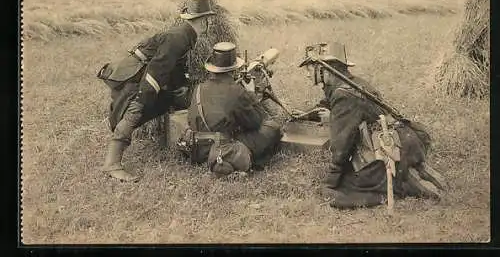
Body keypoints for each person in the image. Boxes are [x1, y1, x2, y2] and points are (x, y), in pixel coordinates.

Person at [296, 42, 448, 209]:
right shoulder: (351, 84)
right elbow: (326, 104)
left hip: (390, 150)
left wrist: (330, 181)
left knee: (338, 194)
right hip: (406, 141)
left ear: (324, 69)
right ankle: (412, 168)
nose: (307, 75)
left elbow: (341, 145)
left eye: (309, 69)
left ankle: (405, 185)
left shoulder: (344, 96)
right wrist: (306, 114)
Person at [97, 0, 216, 182]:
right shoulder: (178, 38)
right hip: (137, 78)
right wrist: (142, 100)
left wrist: (185, 85)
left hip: (142, 75)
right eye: (207, 19)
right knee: (135, 111)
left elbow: (174, 70)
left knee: (173, 98)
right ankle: (112, 164)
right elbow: (156, 72)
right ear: (203, 21)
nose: (208, 24)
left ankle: (176, 139)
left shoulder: (184, 36)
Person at [186, 42, 282, 177]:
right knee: (272, 128)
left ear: (213, 69)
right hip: (224, 150)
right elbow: (255, 122)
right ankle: (252, 162)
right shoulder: (237, 91)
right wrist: (251, 94)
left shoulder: (198, 88)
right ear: (234, 69)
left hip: (199, 150)